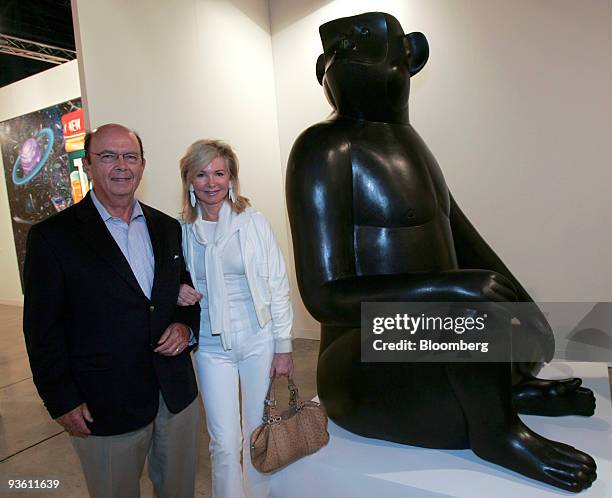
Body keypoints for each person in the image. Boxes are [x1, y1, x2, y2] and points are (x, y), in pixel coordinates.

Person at [22, 123, 201, 498]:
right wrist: (61, 399)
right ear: (88, 164)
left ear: (142, 164)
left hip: (175, 393)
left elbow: (184, 295)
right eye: (107, 156)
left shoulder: (167, 228)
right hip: (104, 404)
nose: (121, 165)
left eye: (129, 156)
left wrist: (185, 329)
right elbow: (42, 330)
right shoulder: (53, 237)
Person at [177, 139, 294, 498]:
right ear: (189, 181)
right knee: (224, 442)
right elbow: (171, 280)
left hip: (258, 339)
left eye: (219, 173)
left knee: (258, 432)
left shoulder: (253, 222)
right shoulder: (183, 230)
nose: (211, 182)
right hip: (212, 347)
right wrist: (178, 291)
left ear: (231, 179)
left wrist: (283, 346)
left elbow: (277, 283)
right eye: (201, 174)